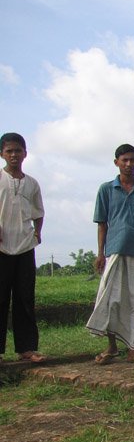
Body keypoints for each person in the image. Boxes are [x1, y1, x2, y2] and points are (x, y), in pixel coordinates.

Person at [86, 143, 134, 364]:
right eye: (125, 160)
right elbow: (102, 224)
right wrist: (100, 253)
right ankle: (111, 347)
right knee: (111, 299)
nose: (129, 164)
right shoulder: (106, 189)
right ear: (116, 163)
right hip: (113, 252)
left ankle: (133, 349)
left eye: (133, 160)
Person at [0, 132, 45, 363]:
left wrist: (37, 231)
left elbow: (39, 211)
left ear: (25, 153)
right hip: (2, 248)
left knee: (25, 298)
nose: (14, 155)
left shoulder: (32, 183)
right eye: (9, 151)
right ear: (2, 154)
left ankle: (27, 348)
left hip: (25, 246)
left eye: (18, 150)